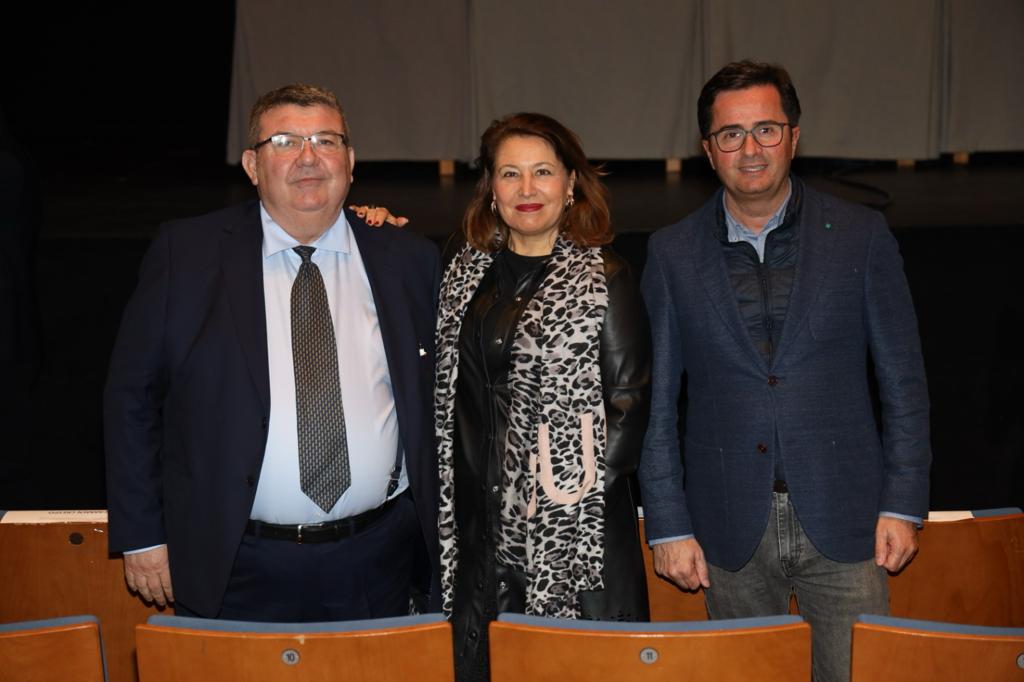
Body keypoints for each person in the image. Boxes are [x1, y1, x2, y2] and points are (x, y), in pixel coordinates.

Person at [638, 61, 930, 682]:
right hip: (727, 528)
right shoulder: (671, 253)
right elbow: (655, 403)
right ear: (707, 151)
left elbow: (904, 383)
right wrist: (666, 523)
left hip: (849, 522)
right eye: (731, 134)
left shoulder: (862, 236)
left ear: (795, 136)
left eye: (767, 129)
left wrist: (904, 503)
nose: (750, 149)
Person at [104, 84, 441, 621]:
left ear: (350, 163)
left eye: (326, 140)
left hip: (378, 558)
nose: (308, 157)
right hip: (234, 561)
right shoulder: (185, 254)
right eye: (284, 141)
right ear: (252, 165)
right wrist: (142, 534)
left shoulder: (409, 259)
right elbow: (131, 400)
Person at [425, 113, 651, 681]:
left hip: (568, 536)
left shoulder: (607, 277)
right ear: (491, 189)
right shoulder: (463, 274)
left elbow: (628, 410)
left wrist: (554, 501)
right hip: (475, 532)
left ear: (571, 183)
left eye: (543, 172)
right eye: (510, 174)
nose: (527, 190)